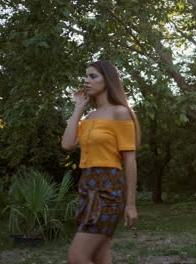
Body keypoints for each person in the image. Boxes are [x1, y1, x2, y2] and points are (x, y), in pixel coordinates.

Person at [61, 60, 140, 264]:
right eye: (86, 76)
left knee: (77, 257)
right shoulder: (88, 118)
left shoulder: (120, 112)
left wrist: (130, 205)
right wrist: (78, 108)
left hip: (108, 188)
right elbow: (68, 144)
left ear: (108, 80)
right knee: (99, 256)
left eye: (93, 76)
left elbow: (130, 161)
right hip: (86, 186)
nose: (87, 80)